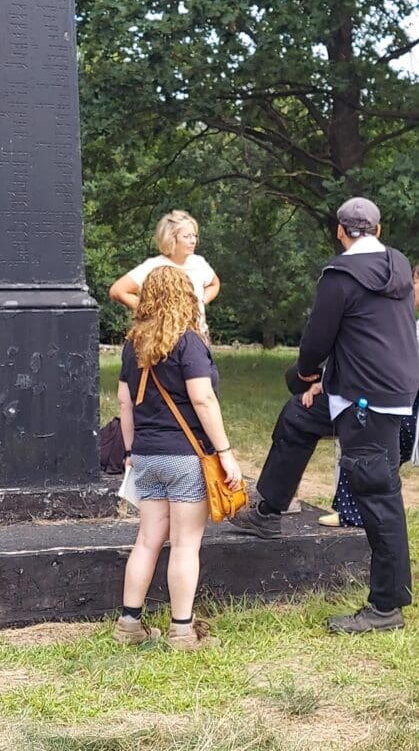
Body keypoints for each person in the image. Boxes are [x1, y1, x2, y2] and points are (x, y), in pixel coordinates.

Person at [231, 198, 419, 633]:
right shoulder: (397, 262)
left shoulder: (341, 276)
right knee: (298, 416)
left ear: (340, 230)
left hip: (366, 402)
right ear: (377, 226)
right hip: (365, 388)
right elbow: (364, 333)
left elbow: (317, 339)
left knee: (378, 495)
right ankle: (268, 512)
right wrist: (317, 384)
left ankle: (387, 608)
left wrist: (305, 374)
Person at [113, 266, 242, 651]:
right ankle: (182, 631)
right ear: (186, 297)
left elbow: (124, 402)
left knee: (147, 540)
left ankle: (129, 624)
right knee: (185, 545)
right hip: (187, 458)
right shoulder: (189, 343)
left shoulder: (132, 344)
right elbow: (202, 399)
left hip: (148, 457)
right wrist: (226, 453)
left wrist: (132, 451)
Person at [321, 260, 419, 527]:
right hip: (386, 395)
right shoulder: (400, 315)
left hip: (403, 403)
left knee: (375, 459)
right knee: (361, 449)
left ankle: (359, 512)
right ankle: (351, 511)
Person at [109, 210, 220, 339]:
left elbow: (214, 284)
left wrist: (200, 302)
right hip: (165, 339)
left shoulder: (199, 263)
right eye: (187, 236)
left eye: (194, 236)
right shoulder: (154, 266)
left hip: (198, 336)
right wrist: (151, 310)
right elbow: (117, 291)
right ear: (171, 238)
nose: (193, 241)